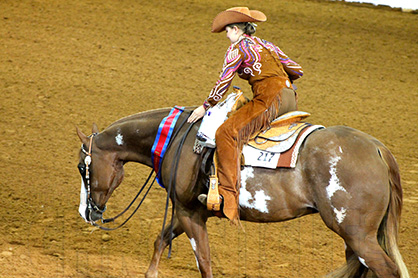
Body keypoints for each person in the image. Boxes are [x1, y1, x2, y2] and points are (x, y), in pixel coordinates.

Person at [187, 7, 303, 223]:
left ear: (235, 29)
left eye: (227, 31)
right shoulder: (266, 44)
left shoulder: (237, 49)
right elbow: (297, 70)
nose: (227, 36)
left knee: (226, 133)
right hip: (290, 98)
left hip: (269, 99)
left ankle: (227, 197)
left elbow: (224, 82)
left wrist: (206, 105)